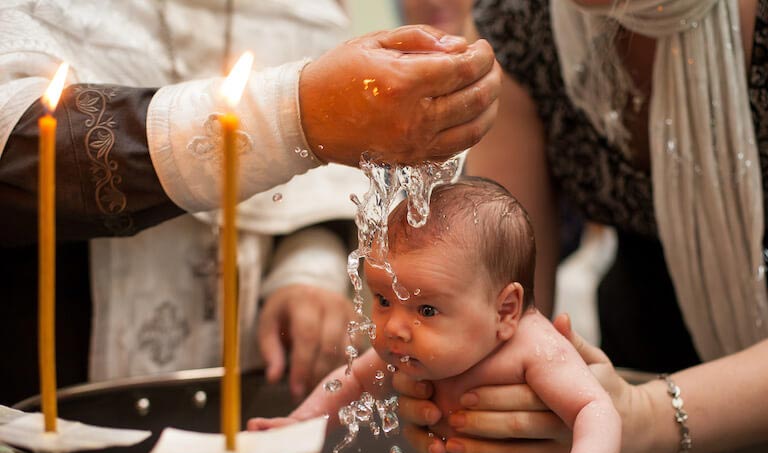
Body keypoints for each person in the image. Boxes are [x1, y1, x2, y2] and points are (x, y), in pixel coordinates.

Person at [393, 0, 768, 453]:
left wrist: (648, 417)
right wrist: (465, 392)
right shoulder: (519, 20)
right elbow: (493, 290)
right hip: (642, 350)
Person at [0, 0, 500, 406]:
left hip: (256, 385)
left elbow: (319, 184)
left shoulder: (309, 9)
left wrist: (307, 266)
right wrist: (294, 115)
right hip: (48, 376)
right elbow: (22, 152)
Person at [250, 178, 621, 453]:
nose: (394, 326)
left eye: (426, 310)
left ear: (505, 310)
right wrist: (301, 423)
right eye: (382, 299)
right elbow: (350, 382)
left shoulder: (533, 348)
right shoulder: (404, 346)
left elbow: (596, 408)